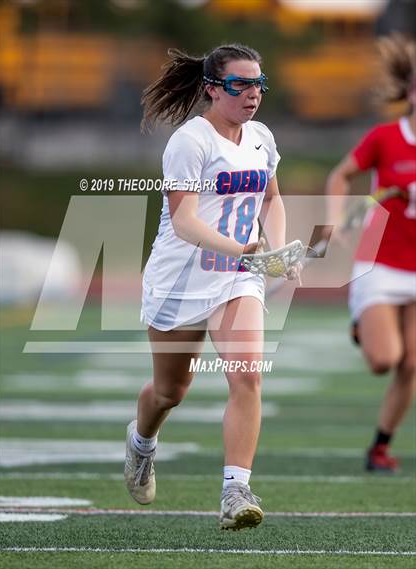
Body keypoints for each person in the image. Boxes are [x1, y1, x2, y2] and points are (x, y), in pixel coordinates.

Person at [124, 44, 297, 530]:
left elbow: (272, 201)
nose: (252, 94)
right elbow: (183, 221)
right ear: (212, 88)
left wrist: (275, 250)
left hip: (236, 278)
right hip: (181, 278)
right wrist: (239, 248)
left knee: (248, 375)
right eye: (240, 84)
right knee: (170, 391)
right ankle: (141, 445)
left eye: (259, 84)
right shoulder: (189, 141)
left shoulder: (261, 137)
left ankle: (235, 490)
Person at [325, 34, 416, 473]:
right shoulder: (385, 137)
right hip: (380, 262)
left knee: (412, 363)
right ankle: (363, 324)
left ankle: (379, 447)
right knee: (385, 361)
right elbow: (340, 175)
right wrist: (334, 220)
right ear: (411, 94)